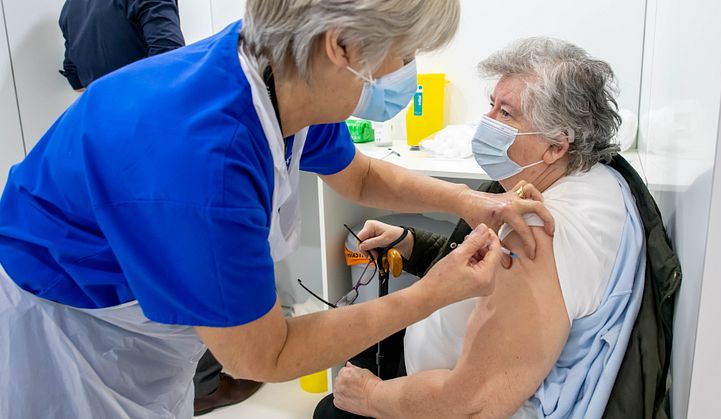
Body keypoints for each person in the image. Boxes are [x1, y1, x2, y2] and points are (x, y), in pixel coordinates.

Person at [0, 2, 554, 418]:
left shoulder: (281, 74)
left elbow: (358, 174)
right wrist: (433, 293)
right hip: (68, 335)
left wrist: (470, 200)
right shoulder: (203, 163)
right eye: (404, 56)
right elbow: (263, 355)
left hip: (140, 327)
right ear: (341, 47)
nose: (406, 73)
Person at [315, 37, 648, 419]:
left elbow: (474, 402)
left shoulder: (537, 230)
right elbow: (480, 265)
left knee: (332, 410)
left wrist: (373, 397)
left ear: (557, 145)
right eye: (492, 104)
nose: (486, 122)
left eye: (506, 113)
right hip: (433, 360)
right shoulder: (591, 180)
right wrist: (410, 243)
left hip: (443, 400)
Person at [59, 0, 255, 412]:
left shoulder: (71, 6)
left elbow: (76, 77)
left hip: (106, 153)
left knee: (139, 279)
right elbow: (173, 63)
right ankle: (206, 385)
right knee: (190, 271)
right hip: (155, 152)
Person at [58, 0, 185, 92]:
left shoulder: (69, 7)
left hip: (105, 119)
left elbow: (76, 81)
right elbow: (171, 59)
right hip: (149, 113)